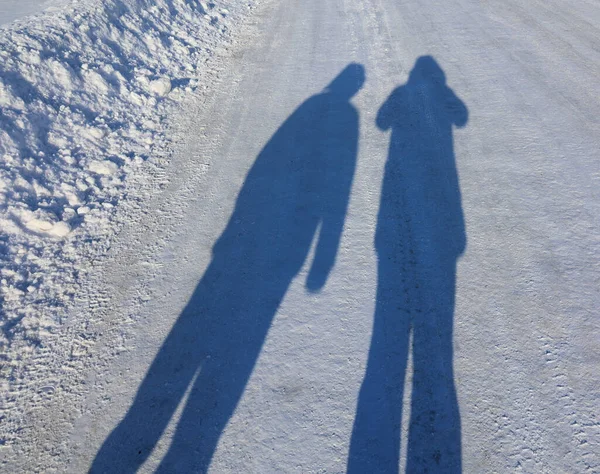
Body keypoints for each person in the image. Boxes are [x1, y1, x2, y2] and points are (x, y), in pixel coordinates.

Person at [90, 64, 364, 473]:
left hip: (256, 245)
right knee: (241, 338)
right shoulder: (343, 116)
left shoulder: (318, 110)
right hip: (287, 248)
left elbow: (262, 173)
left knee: (190, 338)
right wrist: (322, 252)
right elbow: (333, 186)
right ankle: (188, 455)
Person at [348, 56, 468, 473]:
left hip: (399, 207)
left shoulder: (402, 95)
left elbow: (381, 121)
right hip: (443, 219)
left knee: (390, 337)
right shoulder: (439, 94)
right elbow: (462, 116)